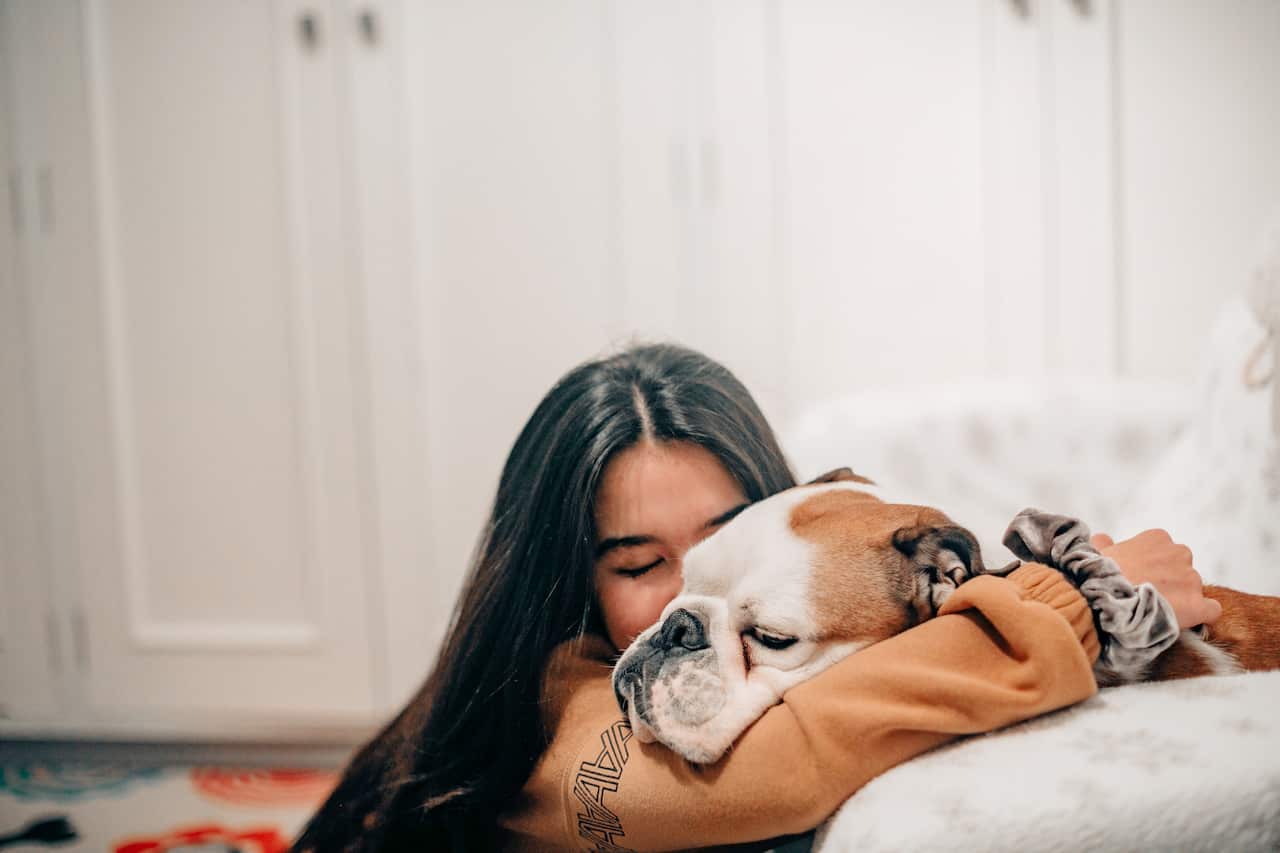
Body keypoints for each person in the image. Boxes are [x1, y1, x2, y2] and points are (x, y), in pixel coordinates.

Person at [291, 343, 1219, 852]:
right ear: (568, 576)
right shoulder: (542, 712)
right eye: (639, 564)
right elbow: (781, 770)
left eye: (727, 542)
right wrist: (1076, 598)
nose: (695, 594)